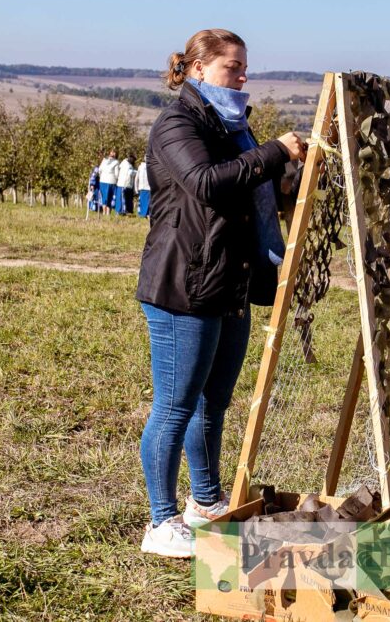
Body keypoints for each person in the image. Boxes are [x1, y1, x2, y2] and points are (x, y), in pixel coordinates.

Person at [135, 28, 306, 558]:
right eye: (233, 67)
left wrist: (286, 177)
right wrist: (275, 152)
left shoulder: (234, 126)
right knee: (175, 405)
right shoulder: (177, 124)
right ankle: (161, 522)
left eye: (243, 66)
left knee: (214, 403)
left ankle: (204, 503)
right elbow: (207, 183)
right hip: (183, 282)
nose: (243, 76)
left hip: (228, 280)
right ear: (199, 68)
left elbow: (247, 190)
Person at [98, 149, 120, 215]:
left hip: (102, 181)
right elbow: (117, 174)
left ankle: (104, 212)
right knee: (109, 197)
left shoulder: (104, 160)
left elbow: (99, 170)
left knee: (104, 197)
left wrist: (102, 176)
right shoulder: (116, 162)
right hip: (111, 181)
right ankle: (107, 213)